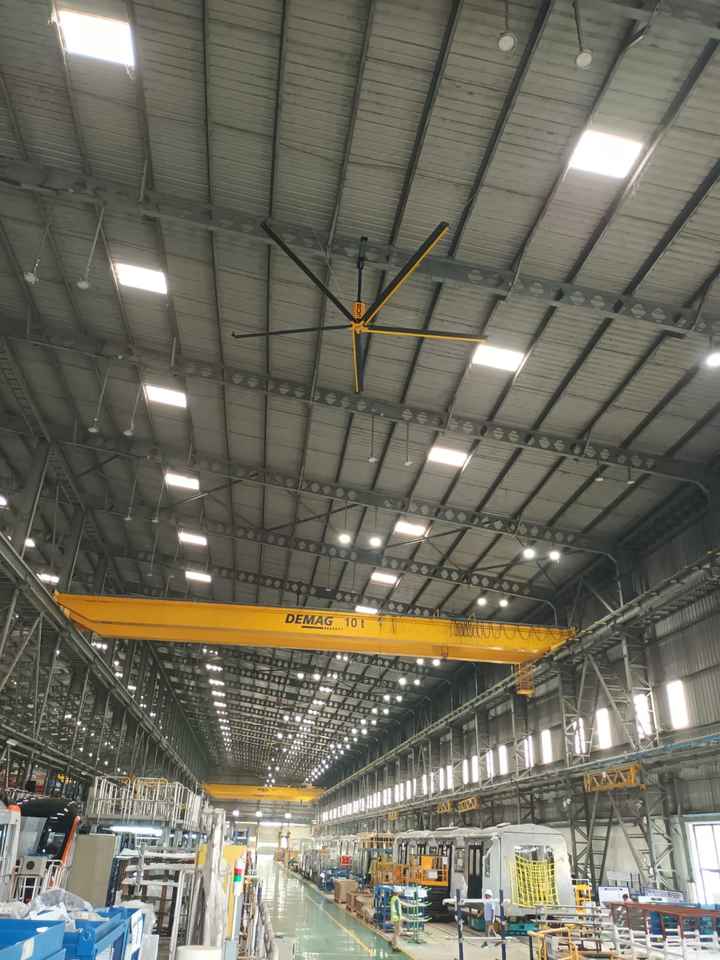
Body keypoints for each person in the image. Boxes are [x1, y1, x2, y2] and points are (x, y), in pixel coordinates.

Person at [390, 886, 403, 951]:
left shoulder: (393, 898)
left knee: (397, 931)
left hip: (394, 917)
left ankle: (392, 941)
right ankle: (395, 947)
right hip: (397, 917)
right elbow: (398, 910)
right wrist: (400, 918)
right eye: (400, 891)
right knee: (398, 932)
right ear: (398, 892)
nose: (401, 892)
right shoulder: (397, 899)